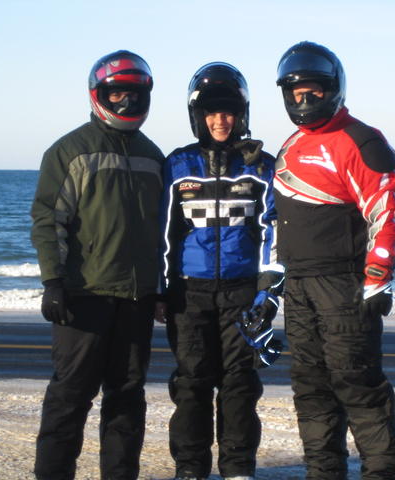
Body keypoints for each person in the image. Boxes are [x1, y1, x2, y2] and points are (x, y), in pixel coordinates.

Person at [273, 41, 395, 479]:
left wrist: (378, 277)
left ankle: (382, 472)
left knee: (357, 384)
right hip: (299, 287)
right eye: (296, 93)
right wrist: (272, 273)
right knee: (311, 389)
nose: (304, 99)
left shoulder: (360, 140)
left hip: (343, 285)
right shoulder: (291, 145)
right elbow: (281, 218)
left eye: (313, 91)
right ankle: (323, 473)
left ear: (332, 89)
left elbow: (389, 208)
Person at [30, 49, 165, 480]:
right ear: (99, 95)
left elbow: (164, 230)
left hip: (137, 297)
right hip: (83, 296)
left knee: (127, 398)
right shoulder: (70, 151)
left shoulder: (153, 156)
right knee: (70, 397)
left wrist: (161, 288)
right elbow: (49, 220)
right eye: (118, 93)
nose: (127, 101)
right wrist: (53, 281)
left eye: (134, 94)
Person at [160, 62, 283, 480]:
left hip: (243, 293)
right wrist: (161, 290)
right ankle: (190, 469)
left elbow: (273, 230)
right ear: (198, 116)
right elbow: (162, 233)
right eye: (211, 112)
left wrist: (268, 290)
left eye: (228, 112)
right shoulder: (177, 165)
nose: (220, 121)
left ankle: (238, 469)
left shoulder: (262, 167)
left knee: (240, 383)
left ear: (241, 115)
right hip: (188, 293)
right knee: (191, 382)